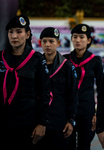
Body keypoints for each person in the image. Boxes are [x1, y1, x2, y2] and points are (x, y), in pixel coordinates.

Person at [0, 15, 50, 150]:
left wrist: (42, 123)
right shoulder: (1, 57)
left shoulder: (37, 59)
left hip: (27, 124)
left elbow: (45, 93)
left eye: (18, 31)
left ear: (27, 34)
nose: (14, 36)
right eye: (11, 32)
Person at [64, 24, 103, 150]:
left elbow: (102, 90)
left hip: (87, 112)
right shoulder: (65, 61)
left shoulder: (95, 61)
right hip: (67, 112)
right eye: (75, 37)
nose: (78, 40)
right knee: (67, 145)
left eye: (81, 37)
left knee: (84, 146)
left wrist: (98, 114)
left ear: (89, 40)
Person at [37, 27, 78, 149]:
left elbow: (73, 95)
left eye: (51, 41)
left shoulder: (67, 67)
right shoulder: (36, 64)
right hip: (38, 122)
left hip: (60, 123)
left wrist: (71, 120)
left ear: (58, 43)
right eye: (44, 41)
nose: (47, 45)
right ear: (40, 43)